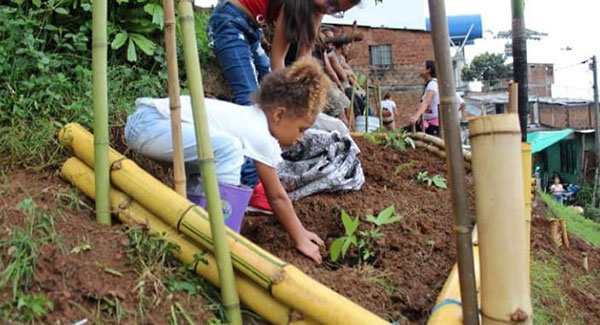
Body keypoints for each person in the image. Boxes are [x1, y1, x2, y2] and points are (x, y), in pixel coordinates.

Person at [124, 57, 330, 263]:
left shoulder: (251, 118)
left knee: (208, 163)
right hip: (151, 125)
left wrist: (302, 229)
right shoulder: (261, 135)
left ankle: (196, 223)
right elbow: (276, 196)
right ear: (279, 115)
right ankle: (223, 236)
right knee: (230, 149)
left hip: (149, 123)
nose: (300, 137)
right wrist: (300, 237)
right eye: (301, 129)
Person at [208, 0, 361, 106]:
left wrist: (305, 94)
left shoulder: (317, 8)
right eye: (331, 3)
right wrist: (289, 102)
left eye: (335, 10)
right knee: (250, 98)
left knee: (268, 80)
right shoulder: (293, 5)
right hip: (230, 22)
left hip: (253, 32)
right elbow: (278, 59)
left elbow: (304, 57)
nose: (328, 10)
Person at [406, 60, 440, 136]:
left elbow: (426, 102)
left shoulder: (432, 84)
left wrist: (415, 117)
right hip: (426, 122)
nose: (419, 68)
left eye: (422, 66)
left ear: (428, 70)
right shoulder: (429, 84)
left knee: (404, 133)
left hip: (433, 125)